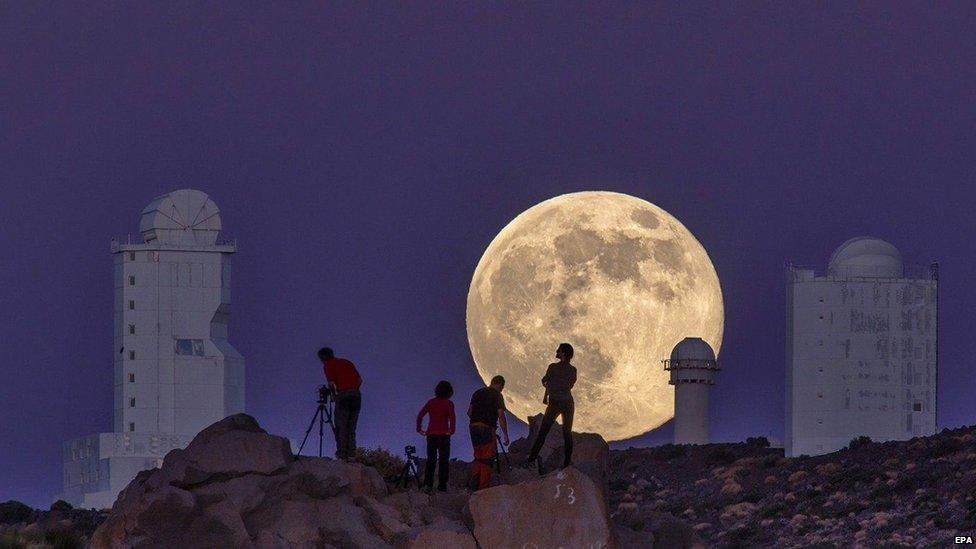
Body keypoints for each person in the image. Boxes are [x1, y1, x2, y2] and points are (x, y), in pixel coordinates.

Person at [526, 343, 578, 469]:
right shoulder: (573, 370)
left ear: (563, 353)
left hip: (555, 403)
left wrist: (548, 391)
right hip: (568, 403)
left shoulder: (553, 367)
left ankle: (531, 459)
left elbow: (545, 381)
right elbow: (570, 385)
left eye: (559, 350)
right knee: (567, 432)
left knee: (543, 432)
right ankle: (567, 464)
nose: (556, 351)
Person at [318, 347, 362, 461]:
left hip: (343, 396)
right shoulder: (346, 362)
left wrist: (334, 395)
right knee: (351, 427)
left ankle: (342, 455)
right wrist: (353, 389)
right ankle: (351, 455)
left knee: (341, 426)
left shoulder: (328, 365)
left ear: (322, 358)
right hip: (356, 396)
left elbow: (331, 384)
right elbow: (360, 380)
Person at [467, 375, 509, 490]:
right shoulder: (497, 395)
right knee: (487, 457)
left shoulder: (477, 392)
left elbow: (469, 412)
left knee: (478, 455)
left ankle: (473, 485)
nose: (501, 390)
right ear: (500, 384)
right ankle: (483, 488)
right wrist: (505, 434)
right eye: (502, 387)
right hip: (486, 428)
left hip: (473, 426)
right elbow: (501, 415)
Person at [416, 380, 456, 492]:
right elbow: (452, 418)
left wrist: (419, 429)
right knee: (444, 460)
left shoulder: (431, 402)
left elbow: (420, 415)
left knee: (431, 460)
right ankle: (442, 486)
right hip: (444, 435)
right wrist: (451, 431)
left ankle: (428, 484)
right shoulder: (449, 404)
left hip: (431, 435)